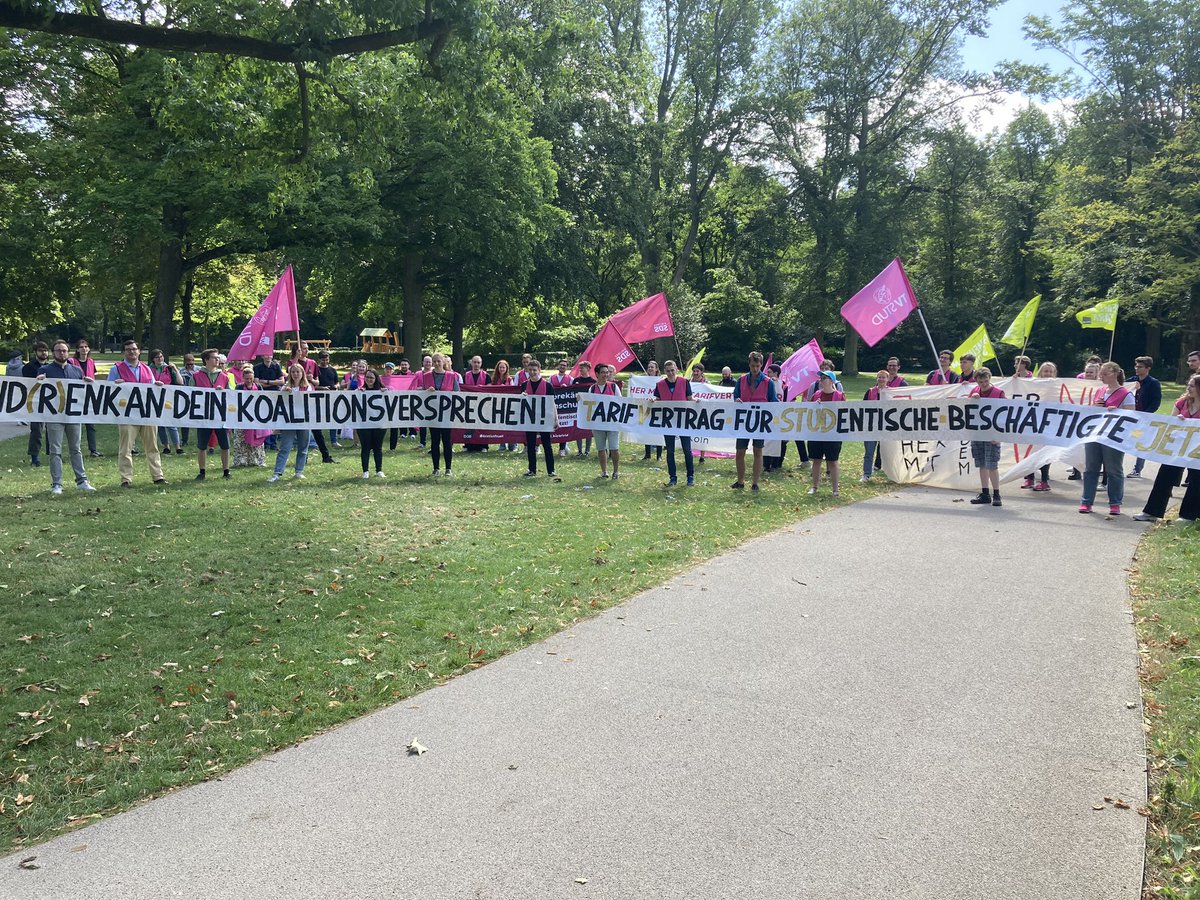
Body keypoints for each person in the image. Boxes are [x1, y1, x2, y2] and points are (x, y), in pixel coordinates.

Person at [1134, 374, 1200, 523]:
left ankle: (1188, 516)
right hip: (1177, 448)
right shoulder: (1182, 403)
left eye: (1192, 385)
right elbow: (1170, 423)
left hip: (1197, 452)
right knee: (1164, 477)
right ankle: (1151, 512)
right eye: (1188, 385)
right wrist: (1179, 421)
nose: (1188, 388)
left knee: (1197, 481)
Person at [35, 339, 96, 495]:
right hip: (54, 415)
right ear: (53, 353)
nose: (61, 353)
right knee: (55, 450)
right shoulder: (45, 369)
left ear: (68, 352)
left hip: (73, 415)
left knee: (76, 449)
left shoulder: (76, 371)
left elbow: (82, 393)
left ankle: (82, 481)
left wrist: (87, 383)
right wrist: (39, 382)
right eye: (58, 350)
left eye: (64, 350)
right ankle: (57, 484)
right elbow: (37, 391)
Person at [107, 340, 167, 487]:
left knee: (152, 446)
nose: (132, 352)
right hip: (126, 414)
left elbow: (152, 388)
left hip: (147, 413)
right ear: (124, 352)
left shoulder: (146, 369)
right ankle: (126, 479)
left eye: (134, 349)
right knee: (125, 448)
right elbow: (107, 389)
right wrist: (115, 385)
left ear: (139, 351)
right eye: (128, 349)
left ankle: (157, 476)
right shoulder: (116, 369)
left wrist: (157, 386)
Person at [1079, 361, 1135, 515]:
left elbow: (1132, 416)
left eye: (1105, 374)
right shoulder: (1100, 391)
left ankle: (1115, 503)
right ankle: (1086, 501)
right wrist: (1095, 407)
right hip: (1095, 434)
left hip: (1114, 437)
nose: (1101, 377)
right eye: (1101, 374)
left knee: (1113, 470)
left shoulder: (1126, 394)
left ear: (1116, 374)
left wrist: (1117, 411)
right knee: (1091, 468)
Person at [732, 351, 776, 492]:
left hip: (760, 422)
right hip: (743, 421)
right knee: (740, 452)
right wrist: (736, 401)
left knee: (758, 451)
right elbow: (735, 397)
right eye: (752, 366)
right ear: (749, 365)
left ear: (761, 365)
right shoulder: (741, 380)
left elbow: (773, 401)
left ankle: (755, 483)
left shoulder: (768, 382)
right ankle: (740, 481)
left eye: (757, 366)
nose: (755, 369)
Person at [653, 360, 695, 486]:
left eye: (672, 370)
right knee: (670, 451)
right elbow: (657, 398)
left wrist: (696, 401)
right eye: (668, 371)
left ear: (676, 369)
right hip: (668, 422)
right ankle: (673, 477)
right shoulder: (660, 384)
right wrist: (653, 399)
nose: (671, 373)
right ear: (664, 372)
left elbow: (689, 398)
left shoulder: (684, 382)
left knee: (687, 450)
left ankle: (690, 476)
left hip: (683, 420)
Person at [192, 349, 232, 481]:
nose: (217, 360)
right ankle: (202, 471)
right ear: (206, 360)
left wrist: (224, 392)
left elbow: (231, 395)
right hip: (203, 415)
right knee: (202, 445)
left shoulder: (224, 377)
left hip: (220, 415)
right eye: (214, 358)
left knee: (225, 445)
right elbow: (190, 394)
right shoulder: (196, 376)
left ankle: (226, 471)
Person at [968, 368, 1005, 507]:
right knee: (981, 463)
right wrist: (973, 398)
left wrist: (1000, 434)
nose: (983, 384)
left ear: (990, 378)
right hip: (978, 433)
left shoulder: (998, 393)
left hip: (992, 434)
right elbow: (967, 409)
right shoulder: (974, 392)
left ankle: (997, 494)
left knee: (992, 464)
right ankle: (985, 493)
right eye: (980, 382)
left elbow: (1005, 414)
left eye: (986, 381)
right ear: (976, 381)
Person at [269, 364, 312, 482]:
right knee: (285, 447)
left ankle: (299, 471)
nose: (295, 374)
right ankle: (277, 472)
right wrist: (284, 392)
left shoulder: (308, 387)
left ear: (302, 373)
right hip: (289, 422)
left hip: (304, 421)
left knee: (303, 447)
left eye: (298, 372)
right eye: (293, 372)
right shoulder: (285, 387)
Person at [805, 371, 846, 497]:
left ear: (832, 381)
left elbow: (845, 413)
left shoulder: (839, 396)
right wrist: (813, 406)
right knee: (816, 460)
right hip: (817, 433)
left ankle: (835, 489)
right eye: (821, 378)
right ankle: (814, 486)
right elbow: (808, 412)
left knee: (833, 461)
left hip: (833, 434)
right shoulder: (816, 395)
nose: (821, 380)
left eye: (824, 378)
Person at [421, 353, 458, 477]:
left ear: (443, 362)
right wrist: (426, 392)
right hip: (432, 414)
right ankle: (436, 468)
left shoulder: (451, 376)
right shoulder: (426, 376)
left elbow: (458, 394)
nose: (436, 364)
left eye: (438, 361)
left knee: (447, 441)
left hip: (447, 414)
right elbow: (420, 393)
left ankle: (448, 468)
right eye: (434, 361)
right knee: (435, 440)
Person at [1023, 362, 1058, 491]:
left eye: (1050, 371)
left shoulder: (1056, 388)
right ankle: (1030, 478)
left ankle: (1044, 481)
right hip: (1032, 421)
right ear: (1040, 373)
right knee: (1030, 451)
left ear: (1054, 374)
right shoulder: (1033, 386)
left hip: (1048, 423)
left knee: (1044, 452)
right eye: (1045, 371)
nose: (1047, 374)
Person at [1127, 356, 1161, 478]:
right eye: (1136, 366)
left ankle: (1137, 469)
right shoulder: (1131, 381)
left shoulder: (1153, 383)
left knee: (1140, 442)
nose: (1137, 368)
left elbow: (1155, 402)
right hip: (1130, 416)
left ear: (1148, 368)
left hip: (1144, 417)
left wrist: (1145, 415)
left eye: (1140, 366)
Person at [522, 359, 557, 478]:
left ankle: (551, 470)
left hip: (544, 419)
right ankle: (532, 469)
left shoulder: (548, 385)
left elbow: (553, 404)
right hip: (530, 419)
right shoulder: (524, 385)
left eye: (534, 370)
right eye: (530, 370)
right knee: (530, 445)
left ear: (539, 370)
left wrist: (556, 419)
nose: (532, 372)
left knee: (547, 445)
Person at [231, 364, 268, 468]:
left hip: (255, 417)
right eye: (247, 379)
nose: (249, 381)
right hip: (242, 417)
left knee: (257, 440)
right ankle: (241, 460)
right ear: (243, 378)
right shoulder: (239, 387)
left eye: (251, 378)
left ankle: (256, 460)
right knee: (240, 440)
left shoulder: (259, 387)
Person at [590, 364, 622, 480]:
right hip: (598, 424)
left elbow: (620, 402)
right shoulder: (592, 388)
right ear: (597, 374)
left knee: (614, 448)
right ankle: (604, 471)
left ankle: (616, 471)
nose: (605, 375)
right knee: (601, 448)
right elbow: (588, 403)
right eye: (603, 372)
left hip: (612, 423)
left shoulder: (614, 387)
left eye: (607, 372)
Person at [148, 349, 184, 455]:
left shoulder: (168, 369)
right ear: (153, 359)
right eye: (157, 357)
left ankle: (177, 447)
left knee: (170, 423)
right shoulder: (148, 369)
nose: (160, 359)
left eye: (161, 356)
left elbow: (180, 382)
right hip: (154, 399)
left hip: (168, 398)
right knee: (160, 425)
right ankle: (166, 446)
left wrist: (176, 370)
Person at [72, 339, 103, 457]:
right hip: (76, 395)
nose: (84, 349)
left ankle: (93, 449)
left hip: (89, 396)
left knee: (91, 424)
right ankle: (76, 449)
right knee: (75, 425)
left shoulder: (91, 361)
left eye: (86, 347)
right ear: (77, 349)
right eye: (81, 347)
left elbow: (93, 377)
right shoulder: (72, 361)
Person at [23, 341, 50, 466]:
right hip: (35, 403)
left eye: (45, 350)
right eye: (40, 350)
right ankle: (35, 457)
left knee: (52, 429)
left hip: (50, 403)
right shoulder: (28, 367)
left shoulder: (51, 367)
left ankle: (53, 454)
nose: (43, 352)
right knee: (37, 430)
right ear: (35, 352)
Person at [860, 369, 890, 481]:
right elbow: (862, 408)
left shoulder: (892, 392)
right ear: (876, 379)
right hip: (871, 426)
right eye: (879, 377)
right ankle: (866, 474)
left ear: (887, 379)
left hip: (886, 426)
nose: (881, 379)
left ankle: (889, 473)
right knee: (869, 452)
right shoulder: (870, 391)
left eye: (883, 377)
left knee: (887, 452)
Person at [358, 368, 388, 479]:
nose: (369, 379)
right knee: (365, 447)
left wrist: (386, 392)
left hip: (379, 424)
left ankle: (379, 470)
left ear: (376, 379)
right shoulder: (360, 391)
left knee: (377, 447)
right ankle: (365, 471)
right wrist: (358, 393)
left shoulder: (382, 391)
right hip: (364, 424)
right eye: (367, 377)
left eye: (371, 377)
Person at [312, 350, 342, 458]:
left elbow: (337, 382)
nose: (325, 361)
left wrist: (337, 386)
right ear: (319, 359)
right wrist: (322, 388)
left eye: (327, 359)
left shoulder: (332, 370)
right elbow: (313, 385)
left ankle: (334, 440)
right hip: (319, 397)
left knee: (332, 418)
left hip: (332, 396)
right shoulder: (317, 370)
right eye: (323, 359)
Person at [571, 361, 597, 456]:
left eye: (583, 368)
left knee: (588, 430)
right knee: (579, 428)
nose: (581, 369)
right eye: (580, 368)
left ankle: (587, 450)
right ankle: (579, 450)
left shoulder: (593, 382)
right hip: (578, 409)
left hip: (589, 409)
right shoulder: (576, 381)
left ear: (588, 369)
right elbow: (571, 393)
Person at [550, 360, 574, 457]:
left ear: (567, 367)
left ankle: (562, 448)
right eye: (561, 365)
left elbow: (572, 392)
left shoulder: (570, 379)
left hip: (564, 407)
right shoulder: (552, 378)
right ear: (558, 366)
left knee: (564, 427)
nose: (562, 367)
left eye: (564, 365)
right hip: (554, 405)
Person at [642, 360, 663, 461]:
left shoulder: (661, 381)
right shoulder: (643, 380)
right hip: (646, 408)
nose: (650, 369)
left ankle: (659, 455)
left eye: (652, 367)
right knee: (646, 430)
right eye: (649, 367)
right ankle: (647, 454)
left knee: (657, 431)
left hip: (658, 408)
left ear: (656, 369)